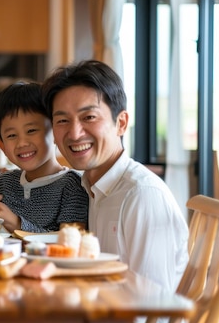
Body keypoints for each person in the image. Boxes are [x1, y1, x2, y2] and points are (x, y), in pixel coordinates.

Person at [41, 59, 188, 292]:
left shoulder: (142, 195)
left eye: (89, 117)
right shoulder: (89, 187)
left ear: (121, 123)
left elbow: (152, 308)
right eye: (62, 120)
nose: (75, 133)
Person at [0, 82, 88, 233]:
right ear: (3, 146)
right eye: (11, 135)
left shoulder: (73, 186)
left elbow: (70, 243)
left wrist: (19, 226)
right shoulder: (4, 183)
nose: (22, 143)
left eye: (31, 130)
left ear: (56, 132)